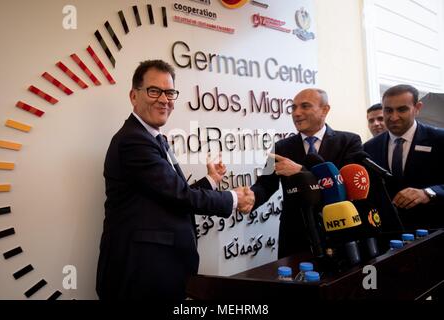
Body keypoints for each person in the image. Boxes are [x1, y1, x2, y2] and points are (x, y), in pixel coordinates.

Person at [96, 60, 254, 300]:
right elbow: (180, 195)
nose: (164, 99)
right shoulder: (133, 141)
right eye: (154, 91)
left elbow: (169, 194)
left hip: (157, 270)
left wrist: (210, 180)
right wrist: (233, 198)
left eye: (169, 92)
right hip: (139, 274)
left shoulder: (153, 138)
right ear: (133, 96)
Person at [250, 88, 363, 258]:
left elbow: (345, 188)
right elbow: (265, 185)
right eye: (293, 108)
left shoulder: (349, 142)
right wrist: (249, 197)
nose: (297, 113)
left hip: (338, 230)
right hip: (295, 236)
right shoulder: (280, 147)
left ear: (325, 110)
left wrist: (301, 172)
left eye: (305, 106)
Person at [364, 84, 444, 230]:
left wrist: (428, 192)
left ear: (417, 108)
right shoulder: (369, 148)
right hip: (388, 234)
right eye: (388, 110)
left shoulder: (439, 139)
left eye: (402, 109)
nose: (394, 117)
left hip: (433, 232)